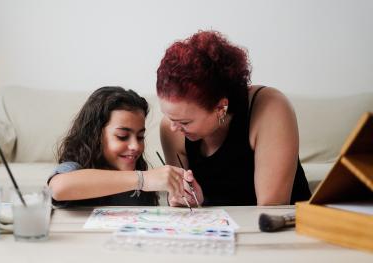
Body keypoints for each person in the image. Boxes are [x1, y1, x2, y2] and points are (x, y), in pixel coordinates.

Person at [156, 30, 311, 206]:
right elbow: (186, 205)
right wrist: (188, 200)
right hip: (217, 228)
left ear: (221, 107)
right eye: (168, 117)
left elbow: (271, 209)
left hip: (284, 228)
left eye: (184, 122)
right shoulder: (171, 130)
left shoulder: (269, 107)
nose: (173, 127)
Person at [48, 86, 189, 207]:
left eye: (140, 137)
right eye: (122, 136)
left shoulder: (139, 183)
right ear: (95, 136)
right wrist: (143, 179)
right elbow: (58, 188)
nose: (135, 146)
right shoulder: (75, 169)